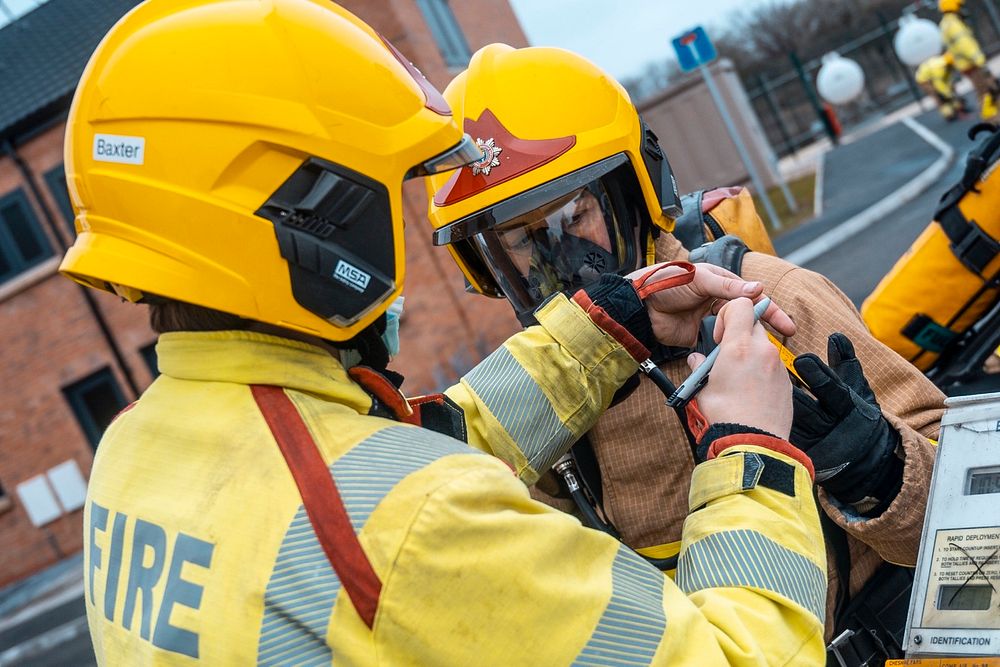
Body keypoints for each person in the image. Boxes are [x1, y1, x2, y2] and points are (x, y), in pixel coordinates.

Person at [65, 1, 829, 664]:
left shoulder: (135, 452)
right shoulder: (416, 524)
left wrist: (611, 323)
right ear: (315, 223)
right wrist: (749, 444)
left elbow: (421, 440)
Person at [426, 44, 944, 666]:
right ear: (486, 261)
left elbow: (971, 526)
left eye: (573, 213)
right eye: (516, 237)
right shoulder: (534, 407)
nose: (557, 259)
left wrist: (876, 470)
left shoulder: (770, 302)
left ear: (635, 190)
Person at [939, 0, 1000, 119]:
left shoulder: (945, 23)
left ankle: (992, 118)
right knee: (988, 92)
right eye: (960, 6)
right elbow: (965, 44)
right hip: (972, 64)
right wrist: (980, 61)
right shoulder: (953, 24)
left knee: (986, 92)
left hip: (966, 65)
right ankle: (992, 120)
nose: (962, 9)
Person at [915, 53, 968, 121]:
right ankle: (948, 115)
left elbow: (948, 80)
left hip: (932, 76)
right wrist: (948, 94)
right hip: (923, 80)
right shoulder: (939, 69)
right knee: (937, 95)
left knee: (950, 91)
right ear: (949, 64)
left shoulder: (946, 66)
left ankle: (958, 108)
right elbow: (939, 84)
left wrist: (951, 89)